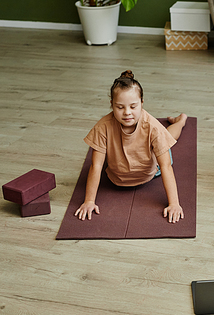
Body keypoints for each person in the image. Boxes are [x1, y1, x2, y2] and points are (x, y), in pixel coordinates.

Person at [75, 70, 187, 223]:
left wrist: (174, 204)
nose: (127, 112)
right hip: (117, 177)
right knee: (163, 137)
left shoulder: (152, 126)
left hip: (151, 172)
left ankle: (180, 121)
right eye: (120, 107)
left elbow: (166, 166)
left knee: (168, 137)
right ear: (112, 105)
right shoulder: (103, 126)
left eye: (133, 106)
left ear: (142, 103)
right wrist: (89, 201)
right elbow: (96, 165)